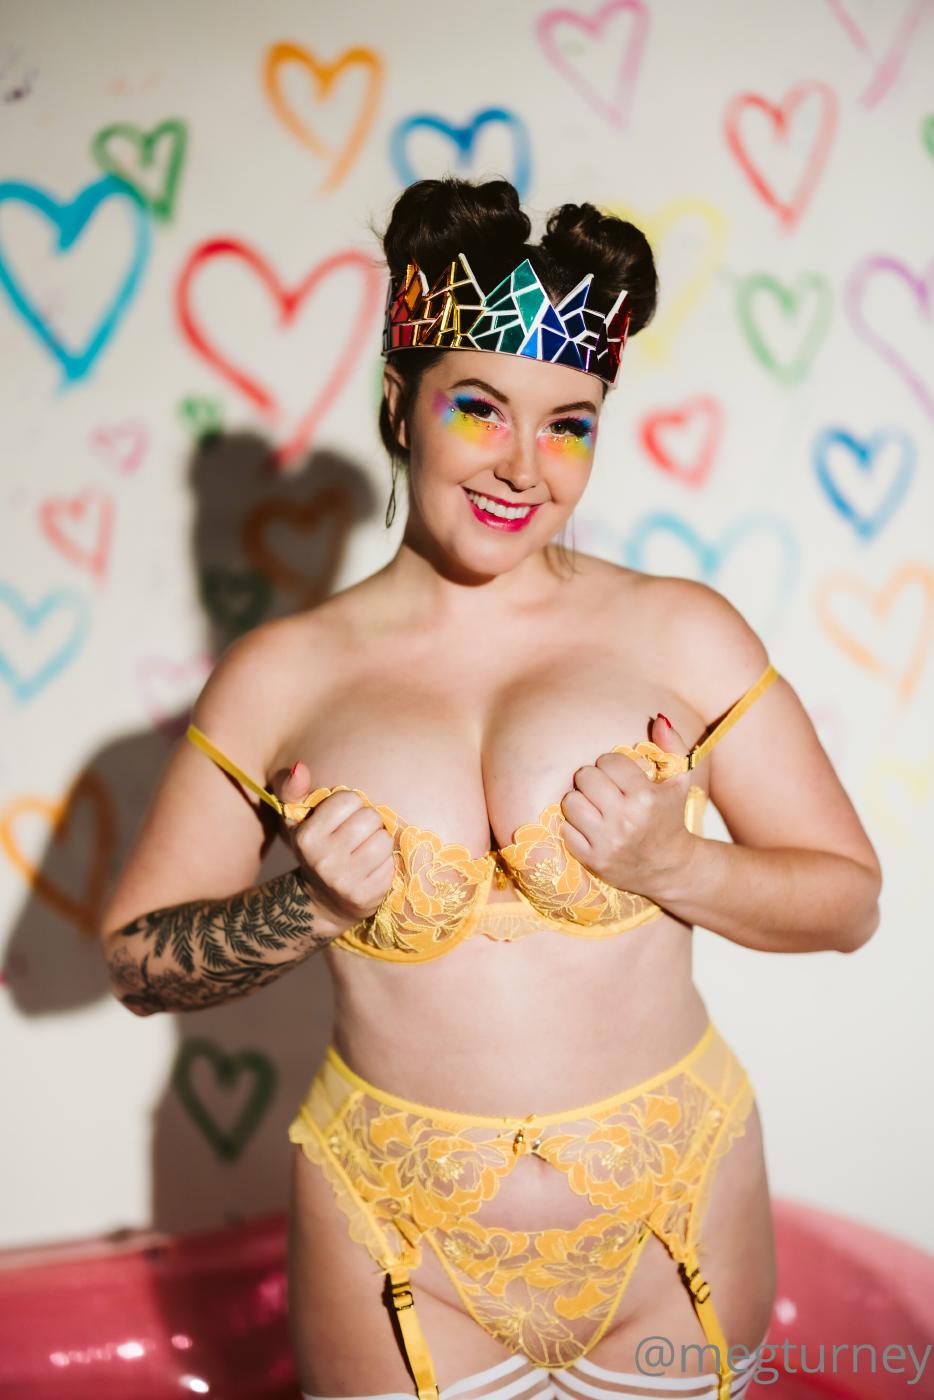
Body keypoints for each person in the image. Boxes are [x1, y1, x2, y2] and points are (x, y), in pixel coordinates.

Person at [99, 177, 883, 1400]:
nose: (525, 465)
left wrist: (676, 863)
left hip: (671, 1211)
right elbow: (136, 961)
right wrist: (306, 906)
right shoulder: (279, 675)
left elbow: (847, 902)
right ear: (398, 402)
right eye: (481, 407)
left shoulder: (680, 631)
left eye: (568, 423)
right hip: (390, 1232)